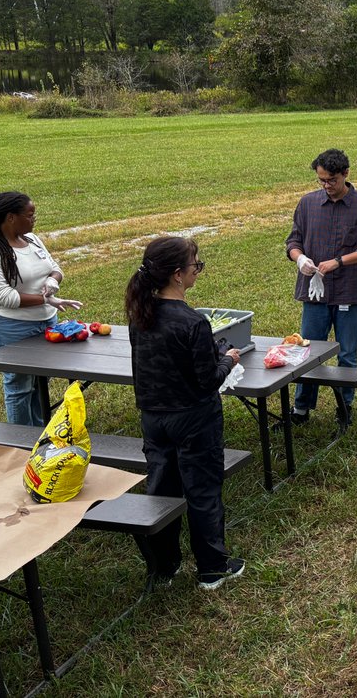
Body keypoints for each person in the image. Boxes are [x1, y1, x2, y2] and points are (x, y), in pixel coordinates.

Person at [126, 236, 245, 590]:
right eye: (197, 266)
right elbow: (207, 381)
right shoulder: (192, 322)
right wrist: (227, 359)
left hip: (154, 418)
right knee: (203, 490)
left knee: (161, 489)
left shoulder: (140, 315)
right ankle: (212, 568)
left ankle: (164, 565)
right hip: (194, 419)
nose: (198, 272)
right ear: (178, 275)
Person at [285, 148, 357, 434]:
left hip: (350, 292)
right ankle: (301, 409)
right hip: (314, 294)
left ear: (345, 174)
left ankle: (345, 409)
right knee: (307, 351)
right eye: (321, 181)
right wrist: (300, 258)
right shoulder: (307, 204)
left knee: (346, 353)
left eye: (331, 180)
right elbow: (293, 241)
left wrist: (339, 262)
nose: (326, 186)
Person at [0, 191, 82, 425]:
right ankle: (21, 444)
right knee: (19, 386)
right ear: (11, 217)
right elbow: (2, 296)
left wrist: (53, 280)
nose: (34, 220)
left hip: (46, 322)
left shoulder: (31, 239)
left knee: (38, 383)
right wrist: (45, 300)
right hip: (11, 326)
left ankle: (39, 432)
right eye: (30, 215)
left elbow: (55, 266)